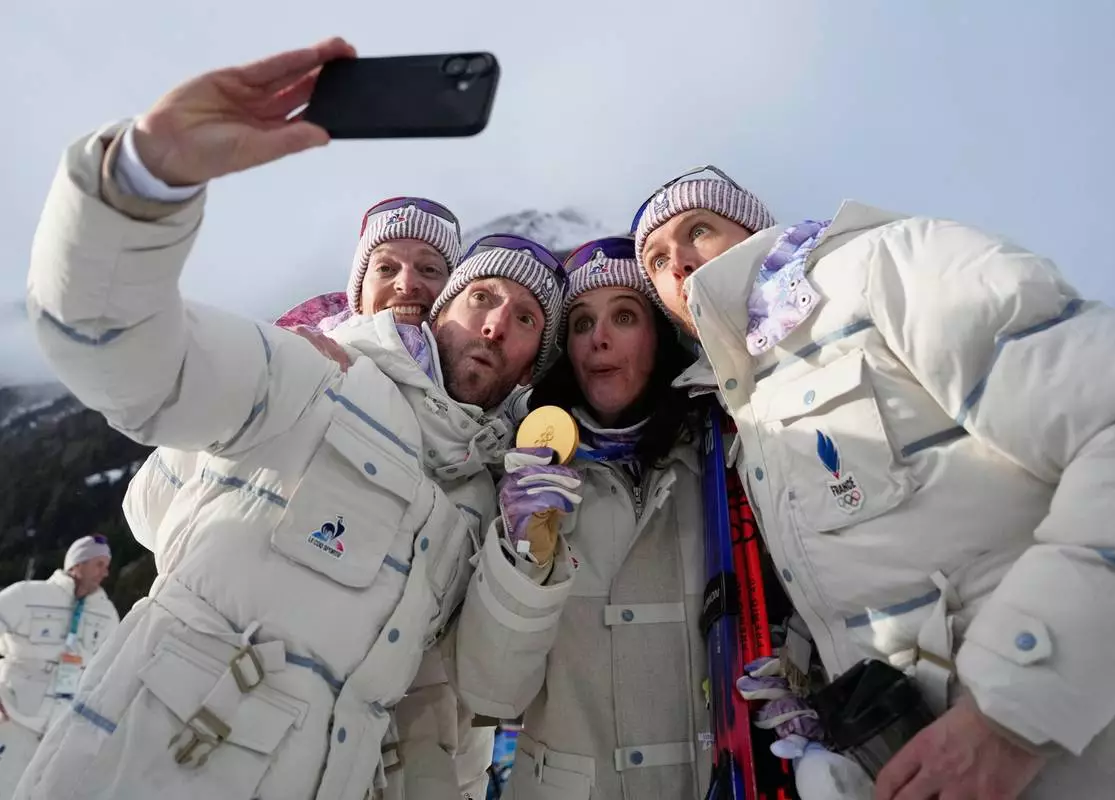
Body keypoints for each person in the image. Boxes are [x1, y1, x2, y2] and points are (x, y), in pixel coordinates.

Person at [18, 39, 566, 800]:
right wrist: (140, 183)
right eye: (480, 298)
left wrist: (526, 557)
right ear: (439, 312)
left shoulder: (484, 494)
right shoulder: (313, 373)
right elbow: (126, 355)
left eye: (527, 317)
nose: (498, 323)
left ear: (537, 361)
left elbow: (487, 692)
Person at [631, 166, 1115, 799]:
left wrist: (1009, 716)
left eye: (699, 230)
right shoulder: (743, 408)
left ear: (755, 229)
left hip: (1111, 758)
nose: (678, 261)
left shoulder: (880, 268)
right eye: (655, 260)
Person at [123, 195, 497, 800]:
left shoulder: (482, 427)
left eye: (431, 269)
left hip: (423, 754)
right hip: (234, 728)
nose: (409, 284)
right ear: (358, 286)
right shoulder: (307, 365)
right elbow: (148, 510)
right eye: (387, 267)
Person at [452, 236, 714, 799]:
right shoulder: (522, 470)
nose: (598, 339)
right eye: (580, 323)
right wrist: (525, 560)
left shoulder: (719, 461)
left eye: (623, 315)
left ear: (661, 337)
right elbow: (493, 696)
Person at [0, 537, 119, 796]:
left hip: (58, 731)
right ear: (78, 564)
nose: (105, 572)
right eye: (99, 564)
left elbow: (111, 670)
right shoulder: (28, 594)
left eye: (107, 565)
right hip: (11, 716)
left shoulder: (107, 614)